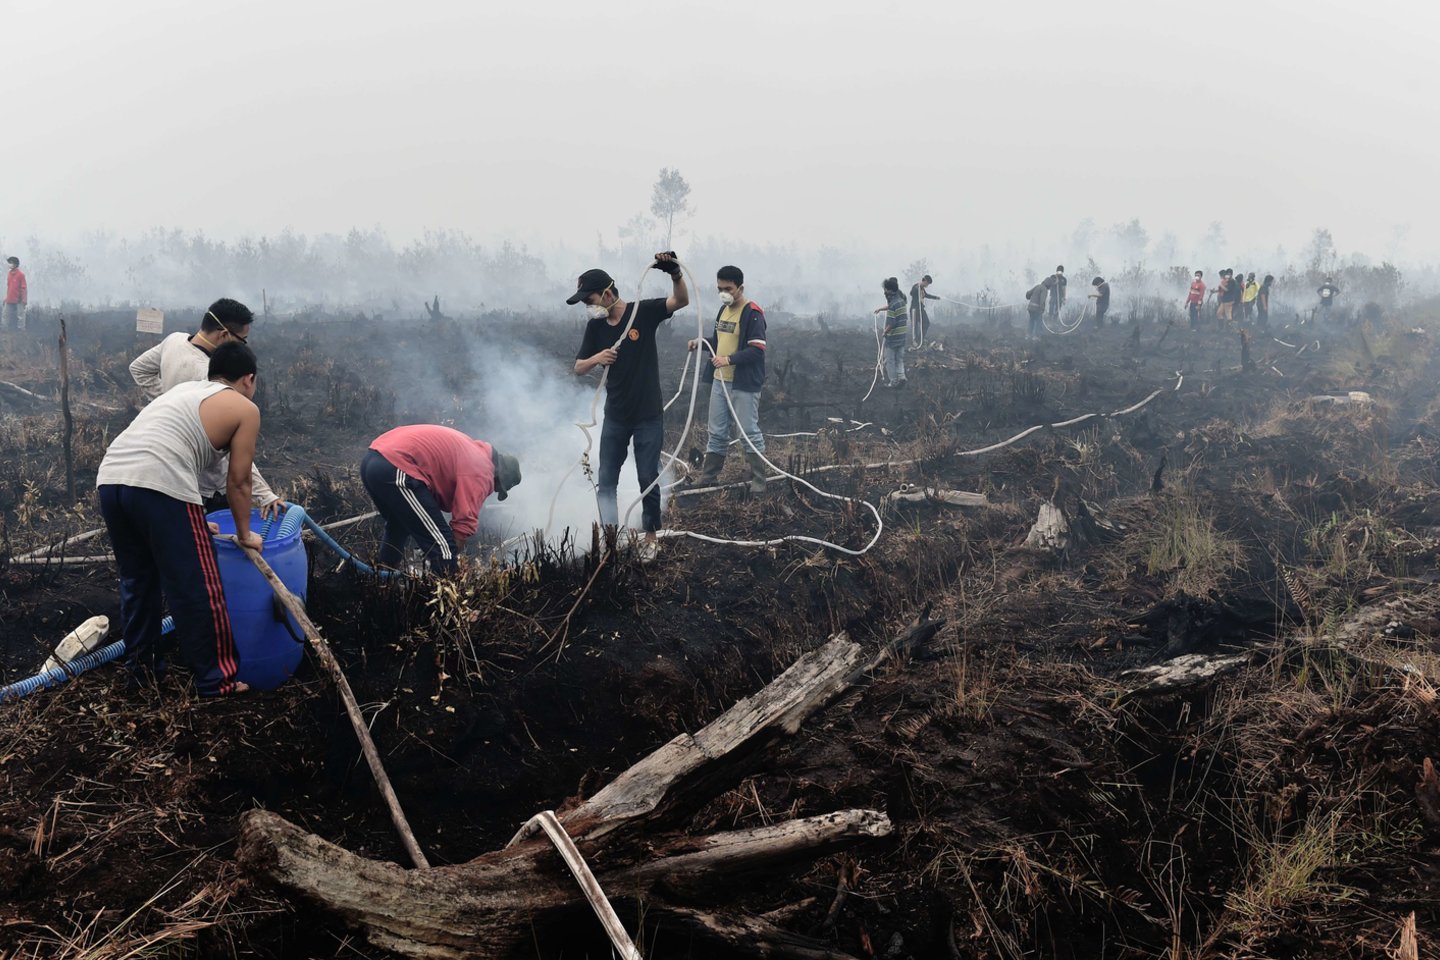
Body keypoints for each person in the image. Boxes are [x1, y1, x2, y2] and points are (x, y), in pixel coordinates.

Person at [95, 342, 263, 697]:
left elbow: (173, 450)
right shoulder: (244, 408)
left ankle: (142, 675)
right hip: (159, 483)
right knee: (199, 585)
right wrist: (246, 533)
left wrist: (194, 521)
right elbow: (239, 480)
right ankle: (219, 682)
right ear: (249, 379)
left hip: (111, 478)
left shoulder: (185, 392)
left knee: (138, 582)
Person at [572, 253, 689, 563]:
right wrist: (599, 358)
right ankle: (611, 537)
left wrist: (675, 274)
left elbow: (680, 301)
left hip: (647, 415)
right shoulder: (596, 329)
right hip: (616, 417)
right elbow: (578, 367)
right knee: (607, 477)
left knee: (647, 474)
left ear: (608, 293)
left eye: (591, 299)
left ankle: (651, 535)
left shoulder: (643, 312)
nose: (589, 305)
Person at [129, 298, 284, 519]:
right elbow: (234, 451)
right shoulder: (210, 378)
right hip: (207, 485)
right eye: (243, 340)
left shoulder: (174, 340)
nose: (242, 348)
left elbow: (139, 369)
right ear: (223, 335)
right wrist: (264, 495)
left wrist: (167, 399)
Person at [360, 424, 521, 575]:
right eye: (497, 488)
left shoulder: (473, 451)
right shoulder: (483, 469)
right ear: (500, 476)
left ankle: (384, 582)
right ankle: (445, 599)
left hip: (373, 460)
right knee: (444, 548)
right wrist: (449, 558)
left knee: (398, 527)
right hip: (396, 466)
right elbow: (464, 522)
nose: (492, 490)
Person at [688, 265, 768, 492]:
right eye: (719, 288)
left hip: (743, 383)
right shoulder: (723, 311)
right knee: (717, 430)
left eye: (728, 288)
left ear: (740, 287)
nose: (723, 292)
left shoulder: (752, 313)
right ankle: (710, 475)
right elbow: (717, 341)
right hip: (719, 381)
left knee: (748, 431)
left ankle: (759, 481)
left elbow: (757, 350)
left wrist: (728, 360)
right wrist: (700, 343)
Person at [873, 277, 908, 386]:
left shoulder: (893, 304)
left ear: (889, 290)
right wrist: (880, 309)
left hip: (893, 337)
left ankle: (893, 381)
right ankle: (902, 377)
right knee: (899, 358)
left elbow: (891, 323)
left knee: (890, 361)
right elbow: (891, 308)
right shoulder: (901, 301)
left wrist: (884, 332)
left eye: (886, 289)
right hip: (902, 335)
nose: (885, 292)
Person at [909, 275, 940, 343]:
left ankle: (920, 339)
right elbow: (911, 293)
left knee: (926, 323)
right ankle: (915, 341)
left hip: (921, 309)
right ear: (925, 281)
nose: (927, 285)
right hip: (914, 310)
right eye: (927, 284)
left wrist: (936, 297)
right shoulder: (916, 286)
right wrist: (918, 289)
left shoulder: (922, 288)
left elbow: (926, 295)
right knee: (915, 326)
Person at [3, 257, 26, 331]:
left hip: (19, 299)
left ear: (16, 264)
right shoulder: (9, 274)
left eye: (11, 262)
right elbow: (9, 287)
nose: (10, 264)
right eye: (9, 262)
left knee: (20, 316)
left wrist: (24, 299)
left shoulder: (21, 275)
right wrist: (6, 298)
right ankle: (4, 329)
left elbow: (23, 288)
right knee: (5, 315)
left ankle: (21, 330)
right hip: (10, 298)